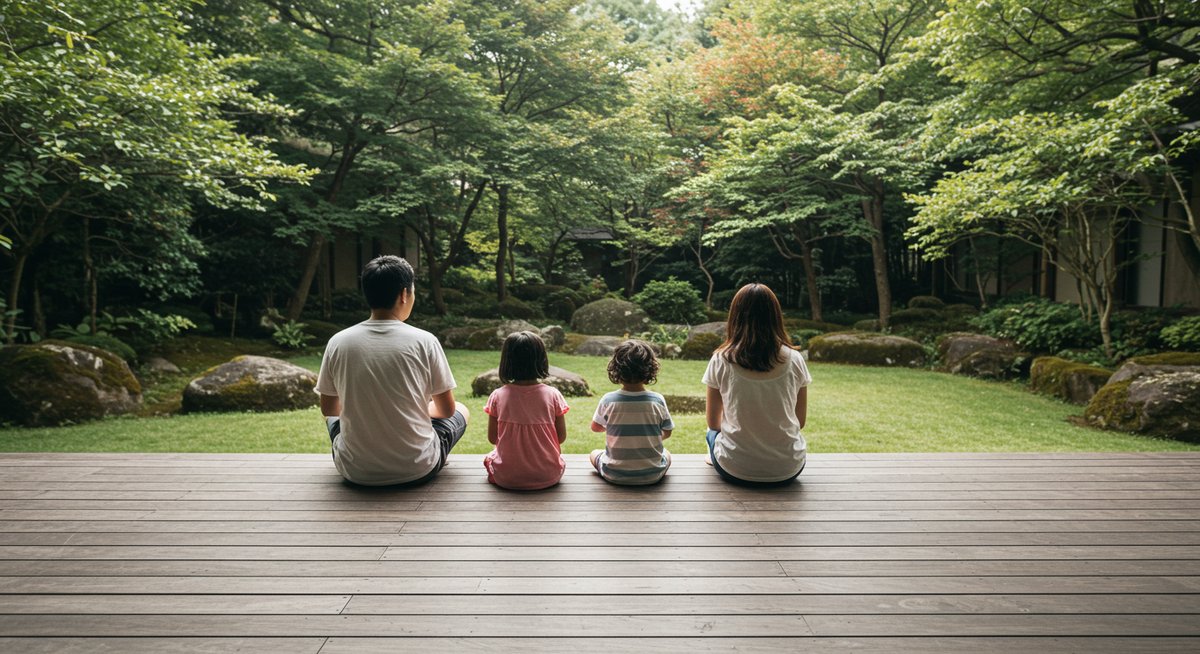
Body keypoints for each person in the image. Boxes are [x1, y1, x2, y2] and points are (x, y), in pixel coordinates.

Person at [315, 255, 469, 486]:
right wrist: (409, 409)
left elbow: (329, 408)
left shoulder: (338, 341)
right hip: (418, 468)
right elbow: (446, 410)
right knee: (461, 409)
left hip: (355, 471)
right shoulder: (424, 341)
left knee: (334, 419)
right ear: (404, 294)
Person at [703, 283, 811, 486]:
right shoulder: (795, 359)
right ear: (775, 316)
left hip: (734, 469)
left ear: (735, 317)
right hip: (788, 468)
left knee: (711, 434)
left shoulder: (721, 359)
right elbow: (800, 421)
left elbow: (713, 423)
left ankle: (714, 456)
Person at [483, 331, 569, 490]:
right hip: (549, 475)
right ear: (542, 360)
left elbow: (493, 438)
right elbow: (561, 437)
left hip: (506, 478)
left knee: (490, 457)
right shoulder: (553, 395)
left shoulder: (497, 396)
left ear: (506, 362)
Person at [589, 339, 674, 485]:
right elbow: (667, 431)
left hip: (614, 473)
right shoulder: (657, 400)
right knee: (668, 454)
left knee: (593, 454)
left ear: (616, 370)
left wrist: (614, 430)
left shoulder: (608, 400)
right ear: (650, 370)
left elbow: (595, 427)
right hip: (653, 474)